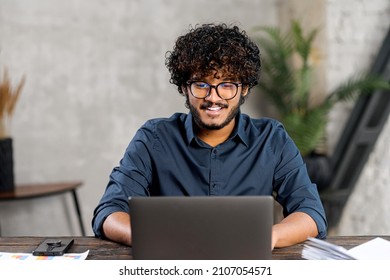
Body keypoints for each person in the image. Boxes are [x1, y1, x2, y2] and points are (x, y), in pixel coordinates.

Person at [92, 23, 327, 249]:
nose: (213, 97)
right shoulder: (153, 137)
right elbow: (109, 212)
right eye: (201, 85)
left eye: (227, 84)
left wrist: (268, 237)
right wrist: (153, 239)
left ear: (244, 88)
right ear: (184, 87)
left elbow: (310, 213)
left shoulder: (271, 139)